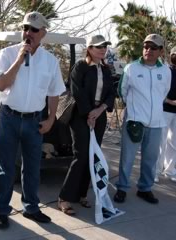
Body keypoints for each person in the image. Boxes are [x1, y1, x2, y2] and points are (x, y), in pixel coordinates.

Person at [0, 12, 65, 229]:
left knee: (32, 167)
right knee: (6, 168)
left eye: (34, 29)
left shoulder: (51, 61)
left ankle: (31, 208)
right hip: (9, 118)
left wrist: (51, 119)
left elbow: (54, 93)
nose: (28, 33)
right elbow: (1, 84)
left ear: (43, 33)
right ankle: (2, 211)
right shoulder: (7, 53)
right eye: (25, 28)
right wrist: (19, 59)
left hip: (34, 121)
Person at [57, 35, 115, 215]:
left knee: (93, 156)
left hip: (99, 116)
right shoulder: (81, 66)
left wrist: (99, 111)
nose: (102, 49)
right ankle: (65, 198)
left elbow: (112, 92)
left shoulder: (106, 68)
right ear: (89, 48)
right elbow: (76, 90)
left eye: (104, 46)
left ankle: (82, 194)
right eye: (98, 46)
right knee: (80, 155)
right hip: (80, 115)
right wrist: (89, 113)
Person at [114, 34, 171, 204]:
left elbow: (164, 93)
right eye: (146, 46)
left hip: (156, 122)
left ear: (161, 51)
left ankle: (144, 189)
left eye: (153, 48)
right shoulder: (131, 68)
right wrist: (134, 109)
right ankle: (122, 188)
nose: (148, 50)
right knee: (127, 158)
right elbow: (122, 91)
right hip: (134, 121)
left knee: (150, 159)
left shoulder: (165, 71)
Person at [155, 46, 176, 182]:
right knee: (160, 142)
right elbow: (158, 91)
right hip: (164, 110)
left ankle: (170, 170)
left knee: (174, 142)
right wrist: (169, 101)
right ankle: (155, 171)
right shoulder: (165, 70)